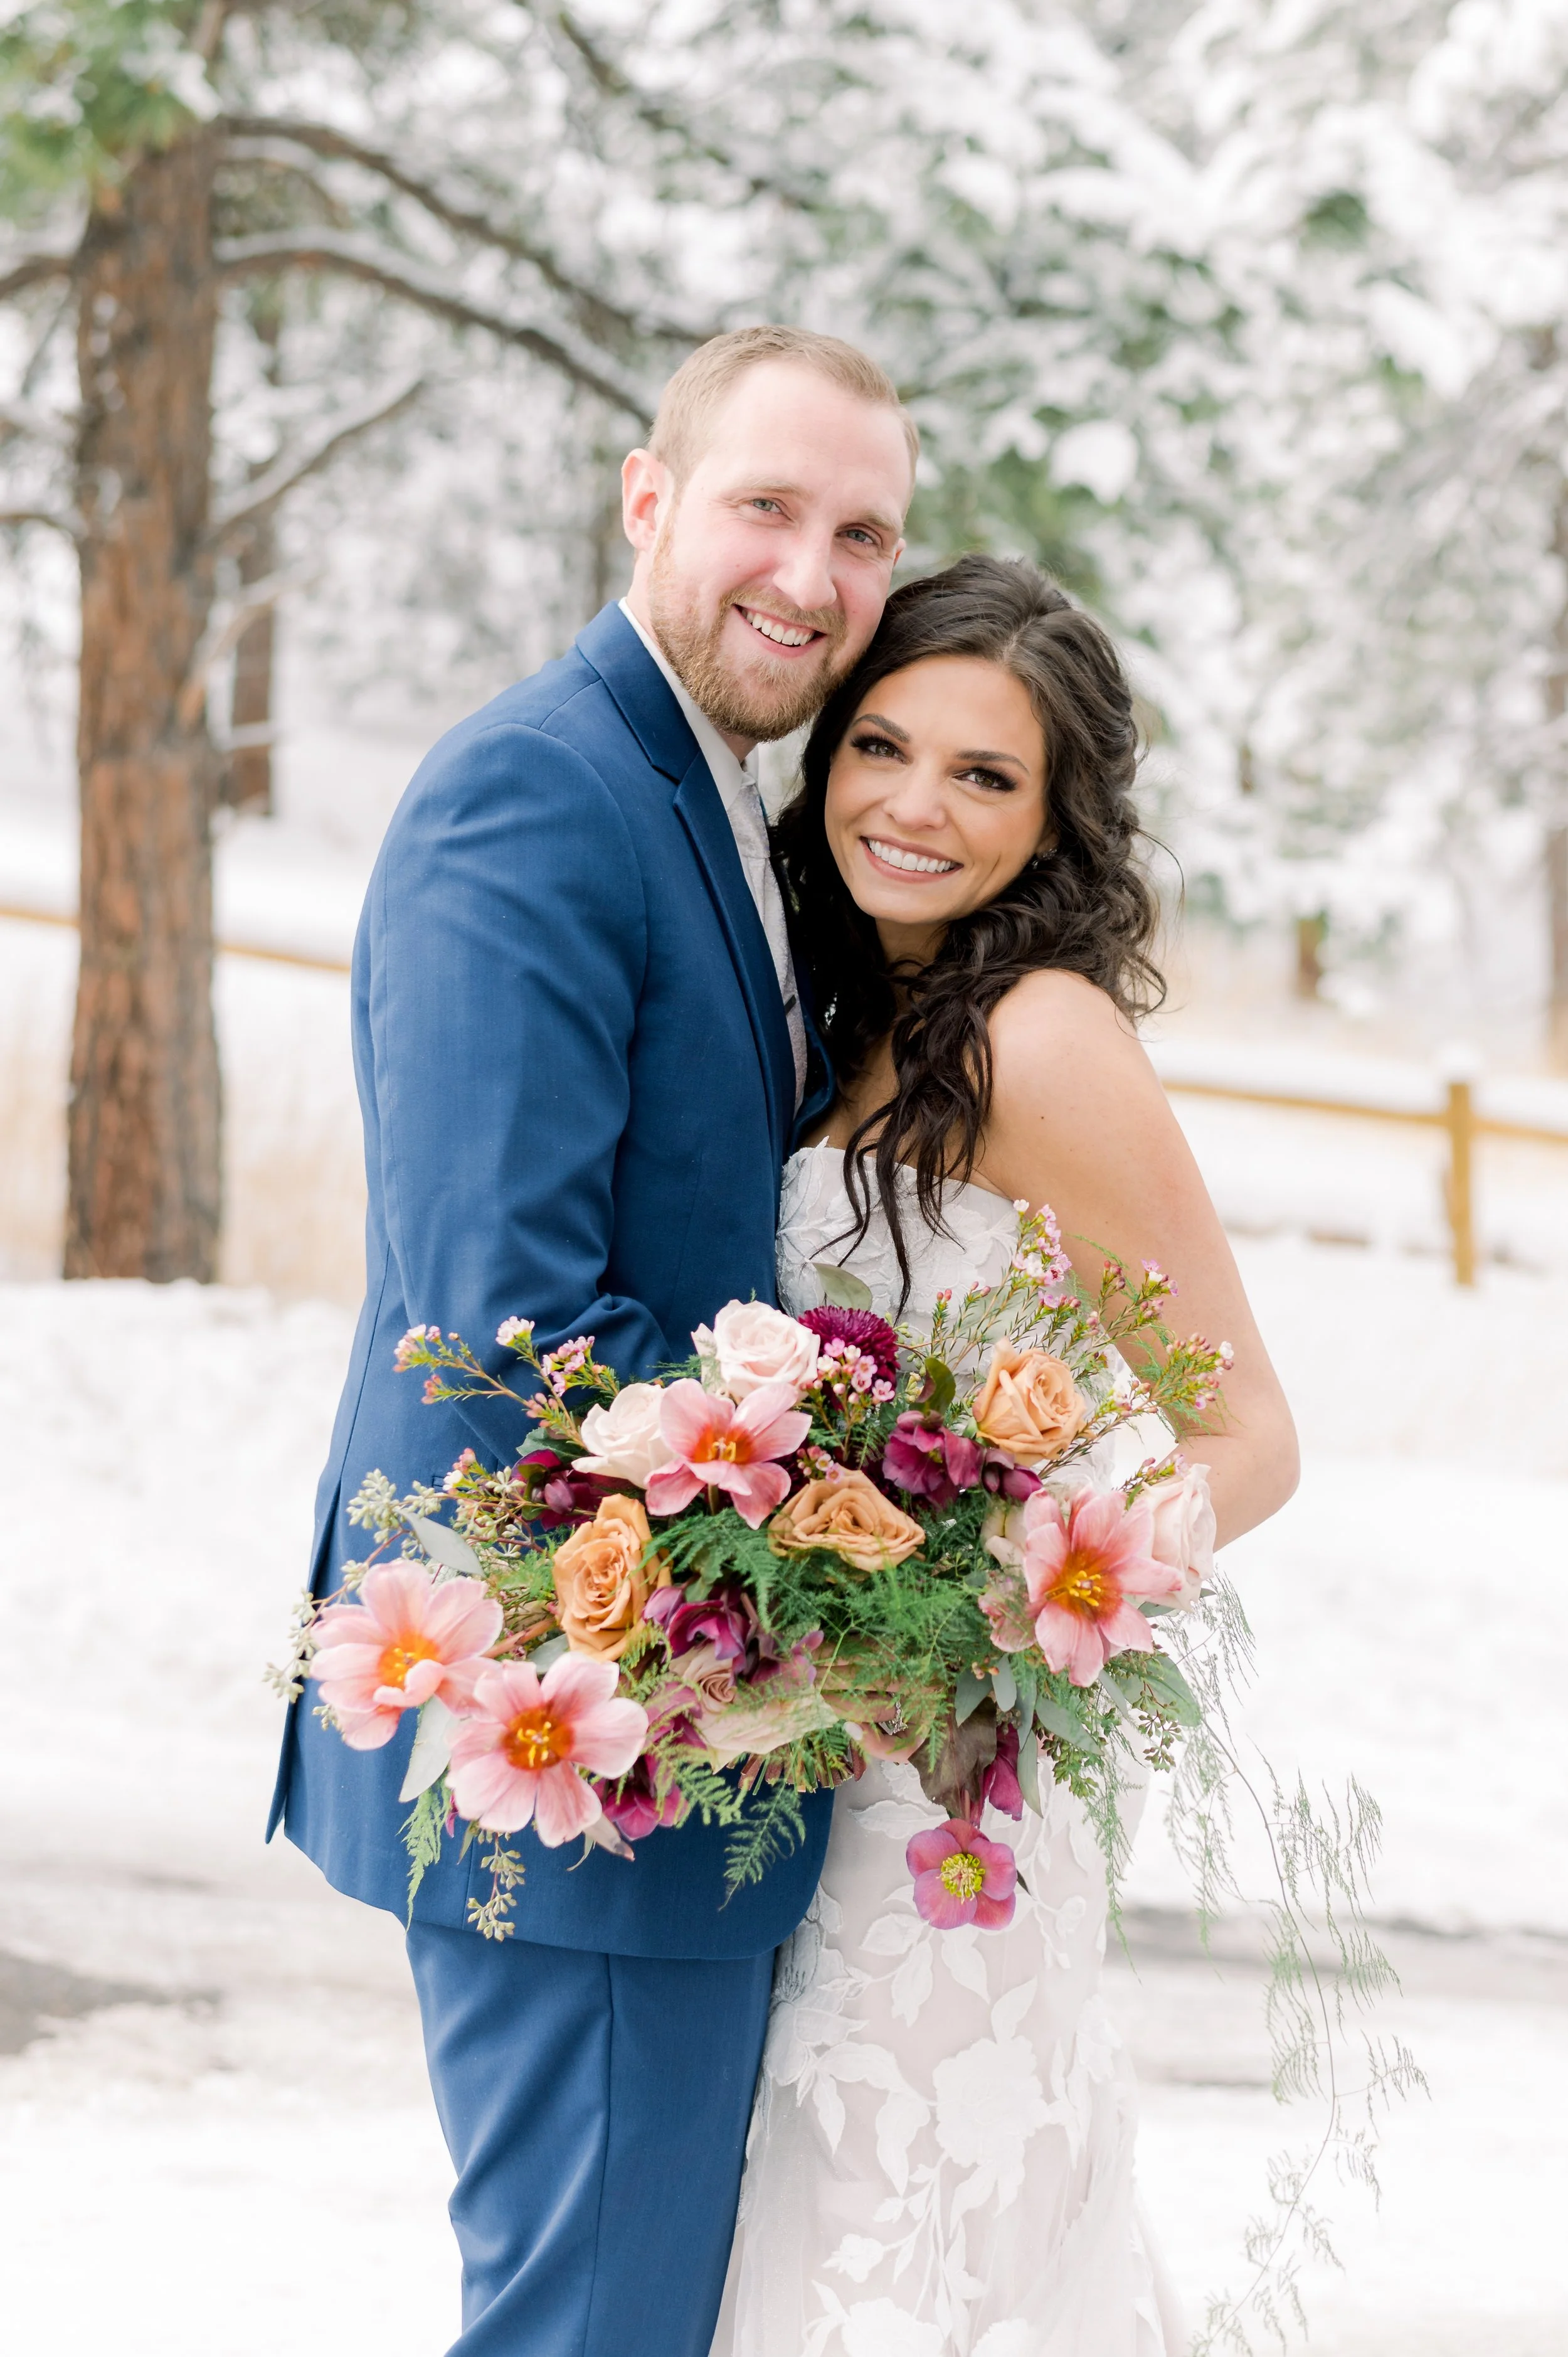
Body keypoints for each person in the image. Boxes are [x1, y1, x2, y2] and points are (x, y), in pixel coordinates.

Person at [266, 325, 918, 2357]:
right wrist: (878, 1546)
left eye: (862, 535)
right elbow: (509, 1335)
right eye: (764, 508)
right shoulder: (534, 796)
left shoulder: (707, 789)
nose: (810, 576)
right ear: (647, 498)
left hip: (675, 1729)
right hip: (587, 1736)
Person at [710, 555, 1301, 2356]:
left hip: (946, 1802)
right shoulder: (840, 1009)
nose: (911, 802)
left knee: (909, 2254)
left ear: (1052, 819)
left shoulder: (1041, 1037)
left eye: (983, 774)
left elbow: (1246, 1431)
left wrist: (1018, 1604)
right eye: (881, 744)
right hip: (796, 1767)